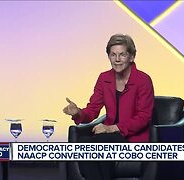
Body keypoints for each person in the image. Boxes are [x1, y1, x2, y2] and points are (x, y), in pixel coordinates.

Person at [63, 34, 154, 180]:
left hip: (133, 137)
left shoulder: (143, 80)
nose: (117, 59)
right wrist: (78, 112)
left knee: (95, 144)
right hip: (109, 136)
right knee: (86, 145)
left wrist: (111, 128)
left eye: (122, 54)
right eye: (113, 55)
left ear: (131, 57)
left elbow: (143, 118)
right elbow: (92, 110)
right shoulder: (104, 78)